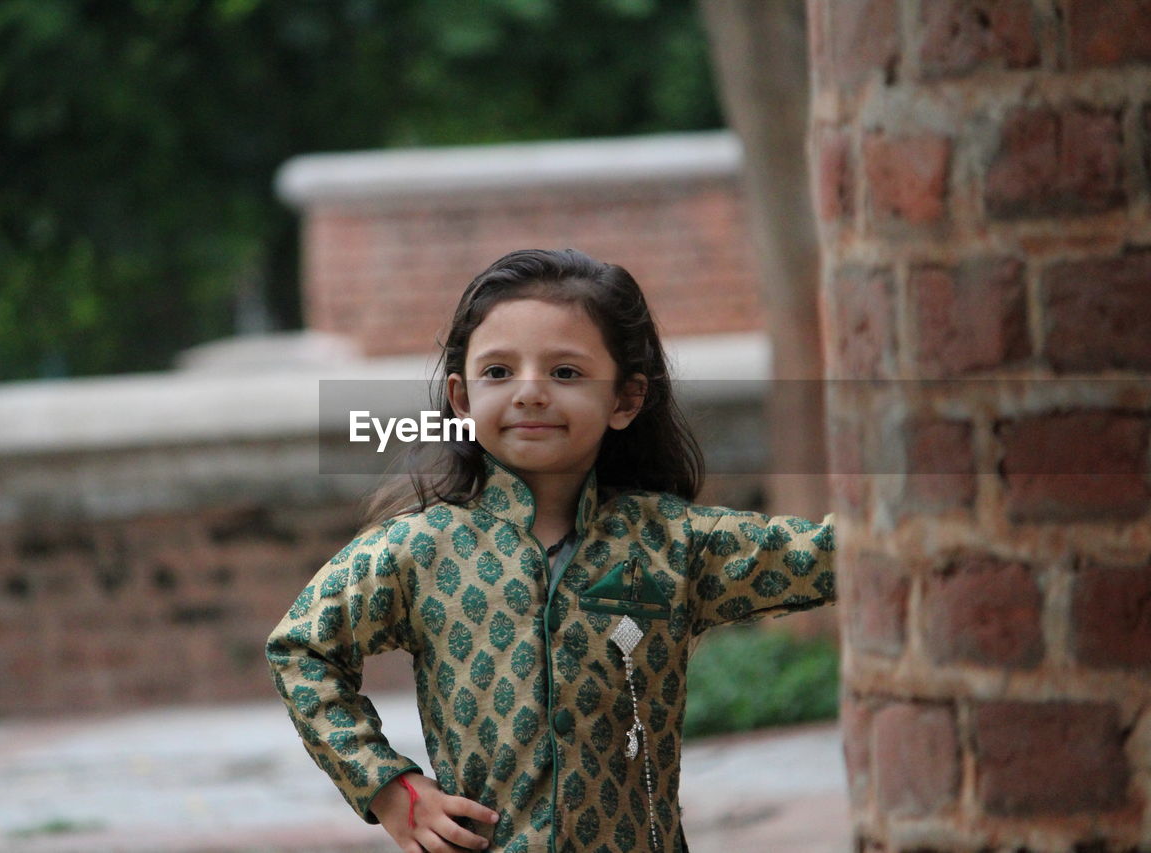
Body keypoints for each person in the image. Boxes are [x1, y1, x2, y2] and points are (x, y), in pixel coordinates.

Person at [265, 248, 836, 853]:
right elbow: (301, 646)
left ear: (625, 399)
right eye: (498, 372)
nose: (531, 392)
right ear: (461, 399)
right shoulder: (418, 549)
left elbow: (834, 556)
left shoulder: (676, 543)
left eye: (566, 373)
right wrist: (388, 789)